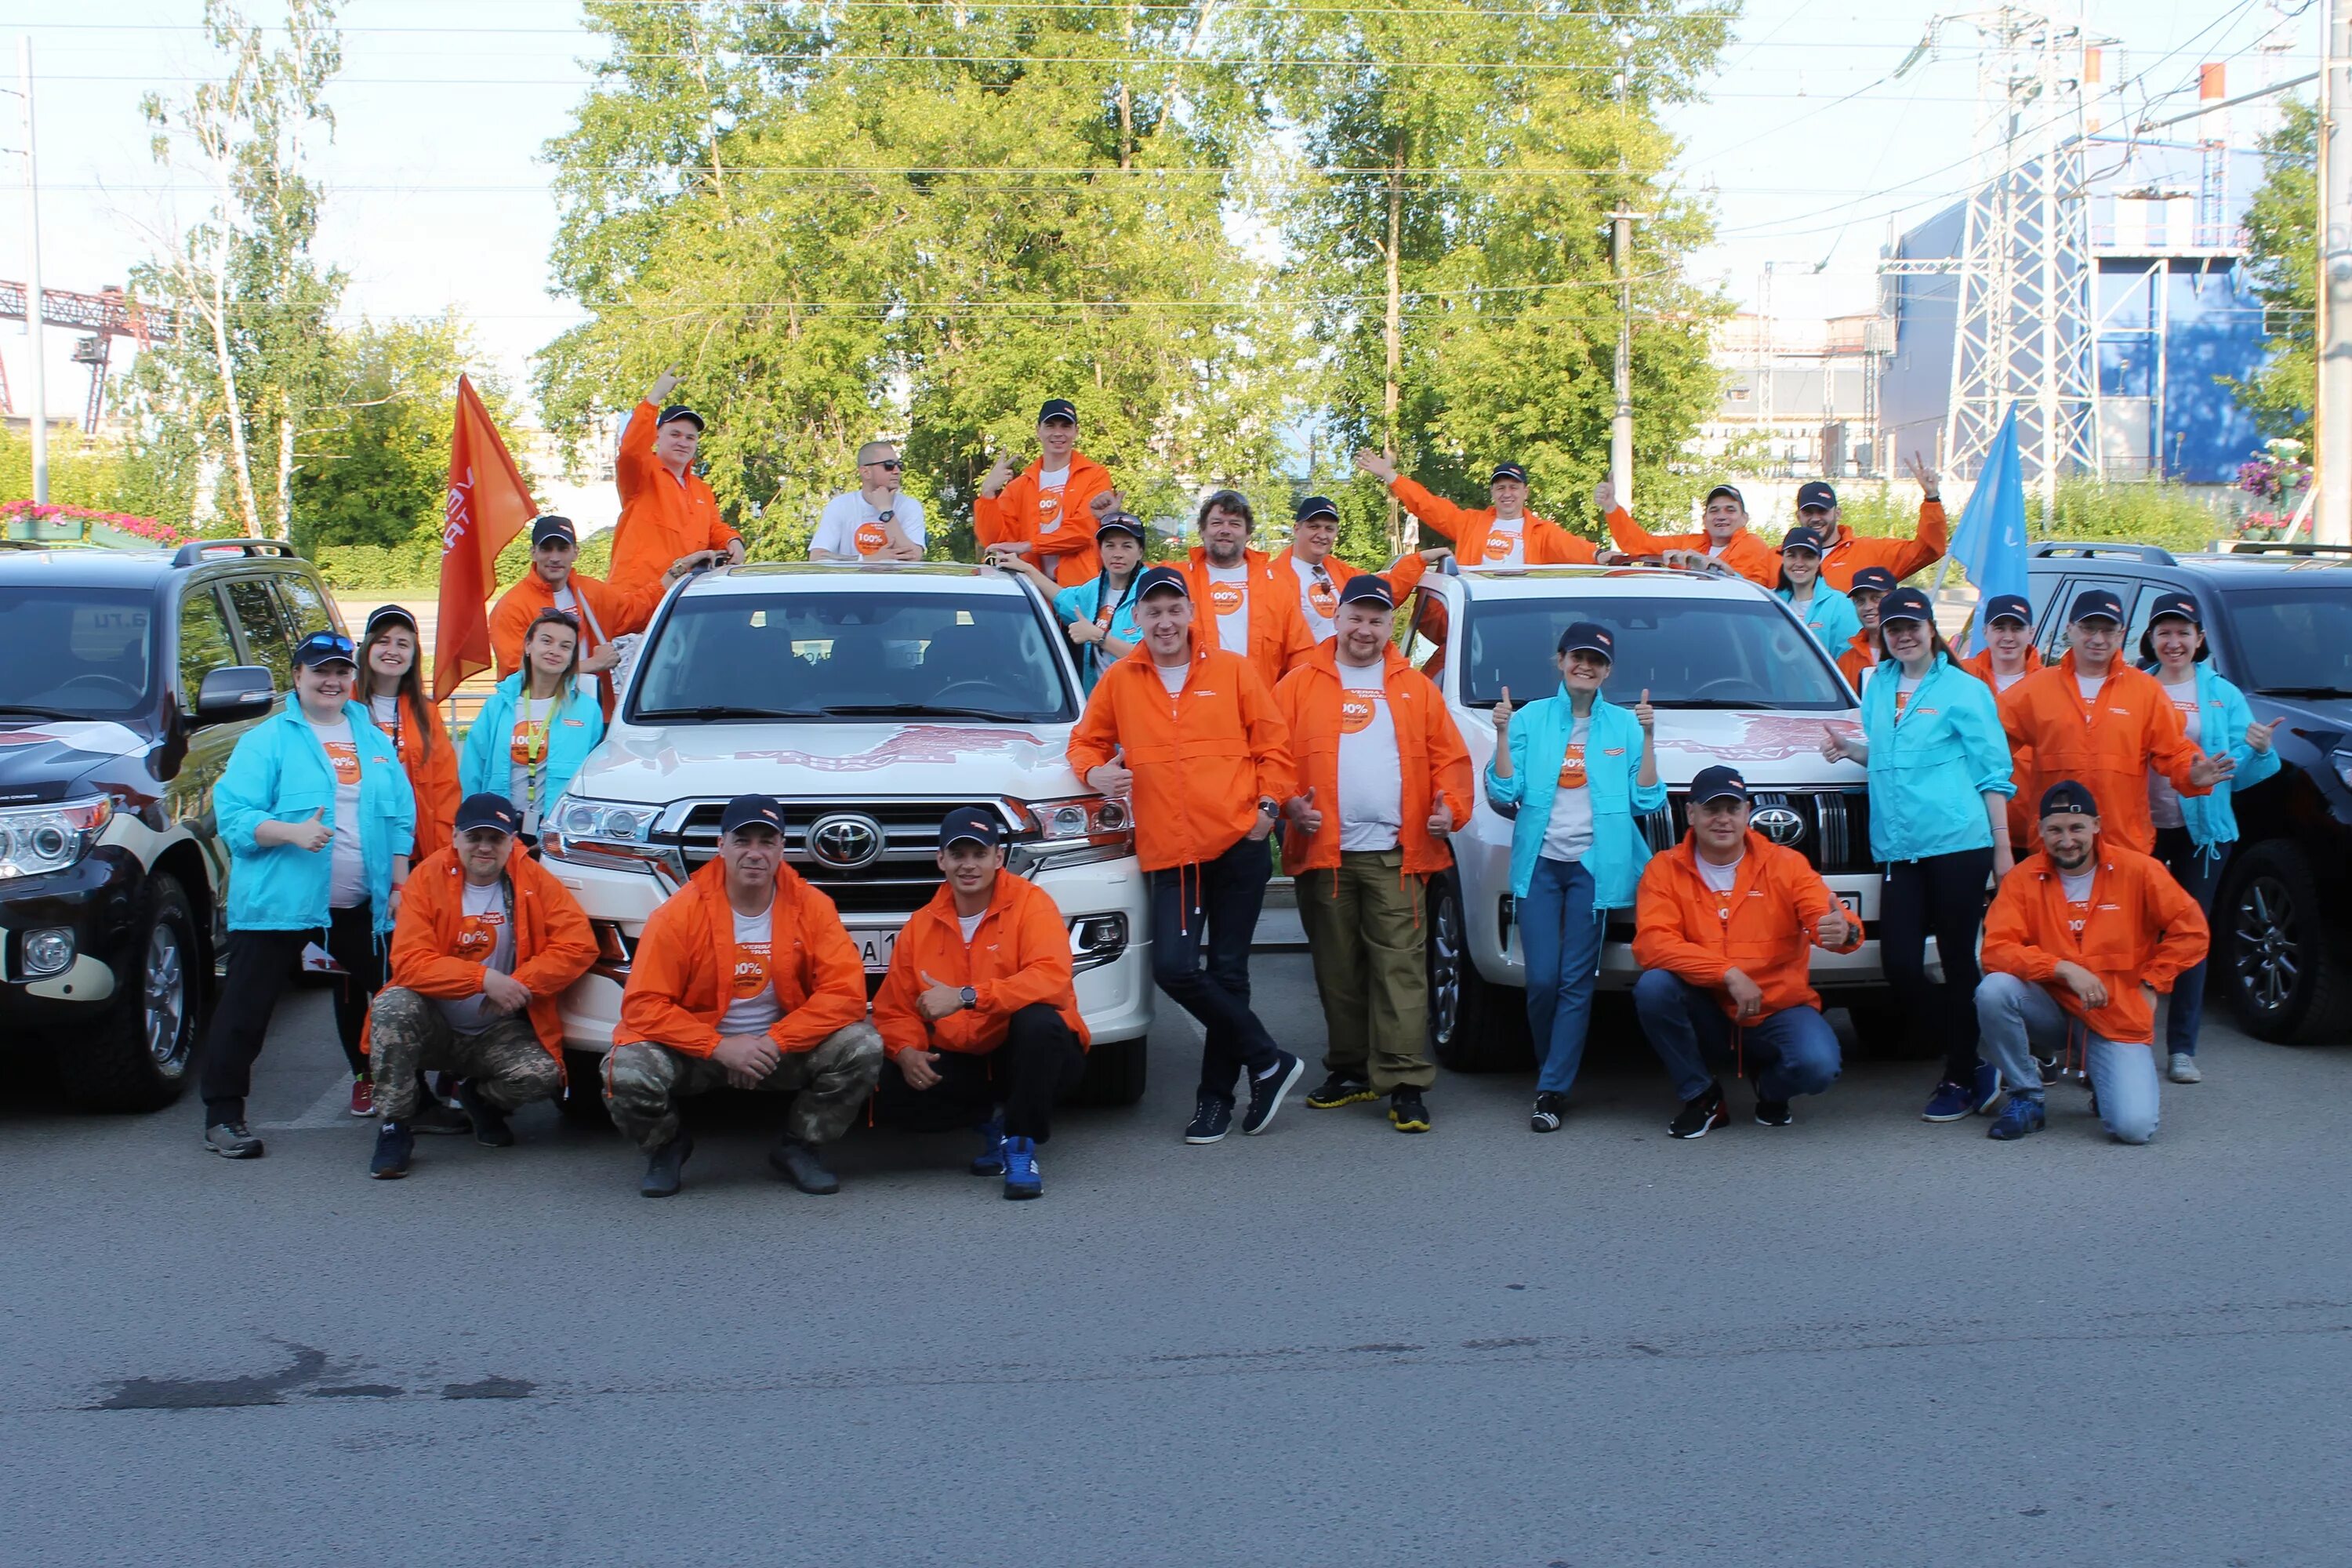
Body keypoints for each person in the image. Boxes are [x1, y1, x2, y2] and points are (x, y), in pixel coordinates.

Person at [1065, 565, 1305, 1145]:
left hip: (1237, 845)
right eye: (1154, 612)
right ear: (1139, 619)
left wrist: (1267, 812)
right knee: (1174, 968)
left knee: (1228, 973)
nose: (1166, 621)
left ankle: (1215, 1100)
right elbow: (1085, 741)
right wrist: (1095, 772)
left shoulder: (1233, 671)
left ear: (1191, 614)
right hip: (1171, 851)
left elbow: (1275, 748)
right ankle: (1268, 1059)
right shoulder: (1121, 679)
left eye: (1175, 610)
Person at [197, 630, 417, 1156]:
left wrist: (400, 883)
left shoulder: (372, 738)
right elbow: (234, 817)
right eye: (320, 671)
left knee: (400, 996)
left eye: (341, 671)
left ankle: (413, 1102)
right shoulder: (267, 741)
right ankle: (223, 1116)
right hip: (280, 903)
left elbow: (400, 814)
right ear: (297, 678)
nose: (332, 681)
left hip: (359, 904)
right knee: (247, 1011)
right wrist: (290, 832)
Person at [604, 794, 883, 1197]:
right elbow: (643, 1005)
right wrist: (718, 1046)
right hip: (698, 1052)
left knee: (863, 1044)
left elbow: (845, 995)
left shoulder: (814, 907)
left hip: (779, 1050)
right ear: (721, 846)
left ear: (781, 849)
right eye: (743, 840)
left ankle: (800, 1145)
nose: (755, 853)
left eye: (767, 842)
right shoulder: (677, 915)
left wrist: (775, 1041)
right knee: (623, 1069)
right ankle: (665, 1146)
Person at [1275, 575, 1475, 1133]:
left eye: (1377, 620)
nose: (1365, 630)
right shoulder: (1296, 685)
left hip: (1396, 853)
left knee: (1400, 970)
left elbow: (1451, 763)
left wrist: (1449, 810)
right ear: (1337, 619)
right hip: (1324, 851)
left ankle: (1405, 1081)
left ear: (1390, 627)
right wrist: (1290, 805)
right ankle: (1350, 1069)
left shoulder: (1415, 687)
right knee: (1337, 970)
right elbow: (1271, 756)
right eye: (1356, 618)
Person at [1820, 587, 2017, 1123]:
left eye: (1914, 626)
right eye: (1894, 628)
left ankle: (1960, 1072)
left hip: (1959, 843)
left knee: (1956, 961)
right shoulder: (1877, 685)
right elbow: (1889, 750)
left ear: (1933, 631)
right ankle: (1977, 1055)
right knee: (1900, 964)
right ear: (1882, 636)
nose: (1904, 635)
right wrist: (1852, 749)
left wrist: (2003, 857)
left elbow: (1993, 772)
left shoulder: (1963, 689)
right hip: (1900, 847)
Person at [1483, 621, 1665, 1131]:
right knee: (1542, 980)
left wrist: (1649, 738)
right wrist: (1500, 733)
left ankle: (1552, 1088)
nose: (1586, 667)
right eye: (1577, 657)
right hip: (1541, 864)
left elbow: (1645, 799)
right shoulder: (1530, 719)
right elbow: (1504, 791)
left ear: (1608, 671)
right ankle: (1552, 1068)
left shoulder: (1625, 726)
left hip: (1594, 868)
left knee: (1575, 982)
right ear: (1560, 660)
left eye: (1597, 661)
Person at [364, 794, 598, 1178]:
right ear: (455, 837)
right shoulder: (426, 878)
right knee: (393, 1007)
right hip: (434, 1023)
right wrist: (484, 979)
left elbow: (578, 945)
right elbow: (409, 964)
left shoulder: (532, 879)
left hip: (495, 1030)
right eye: (475, 837)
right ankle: (395, 1126)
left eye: (496, 837)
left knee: (541, 1075)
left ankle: (480, 1100)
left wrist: (518, 984)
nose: (485, 847)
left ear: (511, 841)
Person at [1632, 765, 1864, 1137]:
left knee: (1818, 1067)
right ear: (1691, 813)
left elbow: (1825, 915)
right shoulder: (1664, 869)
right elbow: (1654, 943)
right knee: (1654, 987)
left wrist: (1844, 931)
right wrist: (1728, 974)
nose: (1722, 819)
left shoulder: (1786, 864)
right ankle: (1702, 1096)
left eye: (1732, 808)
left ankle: (1770, 1091)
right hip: (1707, 1007)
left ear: (1747, 812)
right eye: (1711, 809)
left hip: (1776, 1007)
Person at [872, 808, 1091, 1199]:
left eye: (979, 854)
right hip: (963, 1057)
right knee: (889, 1084)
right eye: (958, 855)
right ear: (942, 860)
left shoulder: (1032, 904)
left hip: (1023, 1054)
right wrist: (906, 1051)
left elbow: (1052, 981)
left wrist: (967, 996)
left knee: (1040, 1022)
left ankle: (1021, 1144)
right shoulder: (920, 925)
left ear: (998, 858)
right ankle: (992, 1124)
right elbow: (894, 1009)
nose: (968, 865)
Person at [1977, 781, 2210, 1145]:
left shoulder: (2140, 871)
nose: (2066, 840)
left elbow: (2192, 930)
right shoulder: (2023, 878)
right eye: (2054, 830)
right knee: (1993, 990)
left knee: (2134, 1129)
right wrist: (2063, 969)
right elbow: (1996, 949)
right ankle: (2027, 1096)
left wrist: (2153, 982)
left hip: (2114, 1013)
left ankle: (2105, 1080)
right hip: (2051, 1008)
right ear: (2039, 831)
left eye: (2076, 828)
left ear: (2097, 825)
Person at [2137, 590, 2280, 1083]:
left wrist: (2259, 750)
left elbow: (2240, 773)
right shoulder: (2135, 688)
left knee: (2189, 936)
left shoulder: (2222, 694)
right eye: (2164, 632)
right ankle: (2127, 1039)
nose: (2173, 642)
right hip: (2143, 831)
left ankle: (2181, 1049)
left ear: (2199, 639)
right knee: (2132, 936)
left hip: (2205, 835)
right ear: (2150, 638)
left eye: (2183, 633)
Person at [1996, 586, 2231, 856]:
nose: (2098, 638)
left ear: (2121, 635)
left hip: (2123, 847)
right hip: (2055, 846)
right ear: (2070, 629)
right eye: (2088, 628)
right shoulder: (2035, 689)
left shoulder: (2145, 690)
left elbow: (2174, 750)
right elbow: (1990, 745)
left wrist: (2192, 774)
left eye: (2108, 630)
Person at [607, 365, 745, 631]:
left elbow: (714, 527)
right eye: (675, 434)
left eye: (690, 437)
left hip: (684, 600)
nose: (683, 442)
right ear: (657, 436)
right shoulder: (642, 475)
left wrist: (732, 540)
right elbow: (631, 452)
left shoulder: (701, 489)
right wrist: (654, 399)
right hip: (637, 604)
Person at [460, 609, 606, 847]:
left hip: (560, 832)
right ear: (528, 646)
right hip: (500, 827)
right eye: (546, 641)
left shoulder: (588, 711)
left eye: (565, 646)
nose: (554, 651)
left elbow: (594, 775)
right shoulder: (499, 704)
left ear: (572, 657)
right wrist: (472, 820)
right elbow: (473, 768)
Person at [1352, 451, 1601, 567]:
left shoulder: (1541, 530)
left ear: (1525, 492)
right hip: (1477, 616)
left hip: (1522, 615)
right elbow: (1426, 505)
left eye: (1513, 488)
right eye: (1500, 488)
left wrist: (1599, 556)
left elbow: (1572, 547)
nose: (1507, 494)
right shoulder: (1470, 523)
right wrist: (1389, 475)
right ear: (1492, 493)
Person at [358, 604, 460, 886]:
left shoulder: (426, 713)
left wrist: (440, 853)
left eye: (403, 644)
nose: (393, 650)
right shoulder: (344, 705)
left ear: (414, 655)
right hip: (356, 849)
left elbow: (445, 789)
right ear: (366, 648)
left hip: (414, 849)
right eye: (383, 641)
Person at [1178, 488, 1317, 692]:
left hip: (1260, 711)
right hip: (1197, 711)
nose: (1225, 530)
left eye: (1235, 524)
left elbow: (1301, 655)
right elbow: (1126, 563)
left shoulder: (1276, 586)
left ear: (1248, 533)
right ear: (1201, 530)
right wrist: (1112, 516)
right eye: (1217, 523)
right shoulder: (1177, 580)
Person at [992, 513, 1146, 693]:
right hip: (1098, 704)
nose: (1117, 554)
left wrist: (1098, 636)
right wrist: (1028, 569)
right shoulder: (1095, 589)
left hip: (1138, 703)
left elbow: (1150, 658)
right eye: (1110, 546)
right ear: (1101, 550)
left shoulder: (1152, 593)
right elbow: (1063, 600)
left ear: (1140, 552)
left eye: (1127, 547)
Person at [974, 398, 1116, 587]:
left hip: (1080, 589)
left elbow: (1083, 532)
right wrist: (988, 493)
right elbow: (994, 541)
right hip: (1030, 588)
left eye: (1066, 426)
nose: (1058, 433)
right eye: (1050, 426)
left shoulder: (1095, 476)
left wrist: (1029, 546)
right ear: (1038, 430)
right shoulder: (1020, 486)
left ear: (1076, 431)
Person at [1272, 494, 1446, 643]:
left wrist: (1420, 559)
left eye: (1329, 529)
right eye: (1314, 527)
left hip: (1344, 672)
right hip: (1301, 677)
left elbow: (1384, 592)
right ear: (1296, 529)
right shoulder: (1271, 578)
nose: (1322, 535)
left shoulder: (1341, 572)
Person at [490, 515, 631, 689]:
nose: (554, 557)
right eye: (546, 549)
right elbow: (518, 672)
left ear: (575, 552)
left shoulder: (593, 591)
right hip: (535, 713)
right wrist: (592, 664)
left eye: (562, 549)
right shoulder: (512, 606)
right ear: (533, 553)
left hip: (590, 709)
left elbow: (638, 609)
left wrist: (672, 575)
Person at [1962, 592, 2044, 854]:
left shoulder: (2050, 684)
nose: (2008, 637)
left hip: (2032, 831)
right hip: (1971, 827)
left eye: (2017, 628)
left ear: (2031, 632)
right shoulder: (1960, 677)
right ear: (1985, 631)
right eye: (1999, 627)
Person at [1794, 462, 1947, 592]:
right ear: (1798, 516)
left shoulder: (1871, 553)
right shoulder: (1782, 558)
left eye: (1822, 511)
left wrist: (1932, 499)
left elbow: (1928, 550)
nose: (1815, 518)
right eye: (1808, 512)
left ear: (1838, 513)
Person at [1598, 479, 1780, 589]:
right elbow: (1638, 544)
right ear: (1705, 519)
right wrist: (1611, 507)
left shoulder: (1753, 546)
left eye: (1730, 510)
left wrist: (1710, 566)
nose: (1721, 516)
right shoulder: (1690, 543)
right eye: (1714, 510)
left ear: (1744, 519)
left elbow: (1751, 590)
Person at [809, 439, 926, 561]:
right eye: (889, 465)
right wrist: (867, 560)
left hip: (895, 579)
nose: (897, 471)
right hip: (852, 579)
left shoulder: (909, 505)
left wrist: (886, 511)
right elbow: (817, 557)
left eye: (900, 465)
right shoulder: (840, 505)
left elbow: (913, 558)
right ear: (866, 472)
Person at [1773, 526, 1860, 654]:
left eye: (1808, 557)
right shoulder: (1772, 601)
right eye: (1792, 556)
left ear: (1819, 560)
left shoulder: (1840, 605)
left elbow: (1848, 662)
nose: (1799, 563)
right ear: (1783, 559)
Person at [1836, 567, 1897, 689]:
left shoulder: (1915, 650)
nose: (1868, 607)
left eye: (1876, 598)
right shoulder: (1846, 661)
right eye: (1860, 601)